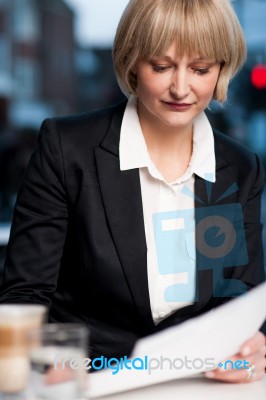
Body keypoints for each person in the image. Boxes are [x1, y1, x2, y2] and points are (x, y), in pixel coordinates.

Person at [0, 0, 265, 383]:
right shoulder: (68, 148)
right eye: (161, 66)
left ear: (222, 69)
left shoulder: (239, 167)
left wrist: (249, 349)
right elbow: (24, 295)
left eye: (201, 69)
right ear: (132, 63)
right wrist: (43, 358)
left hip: (197, 384)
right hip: (86, 380)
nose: (180, 87)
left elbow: (240, 299)